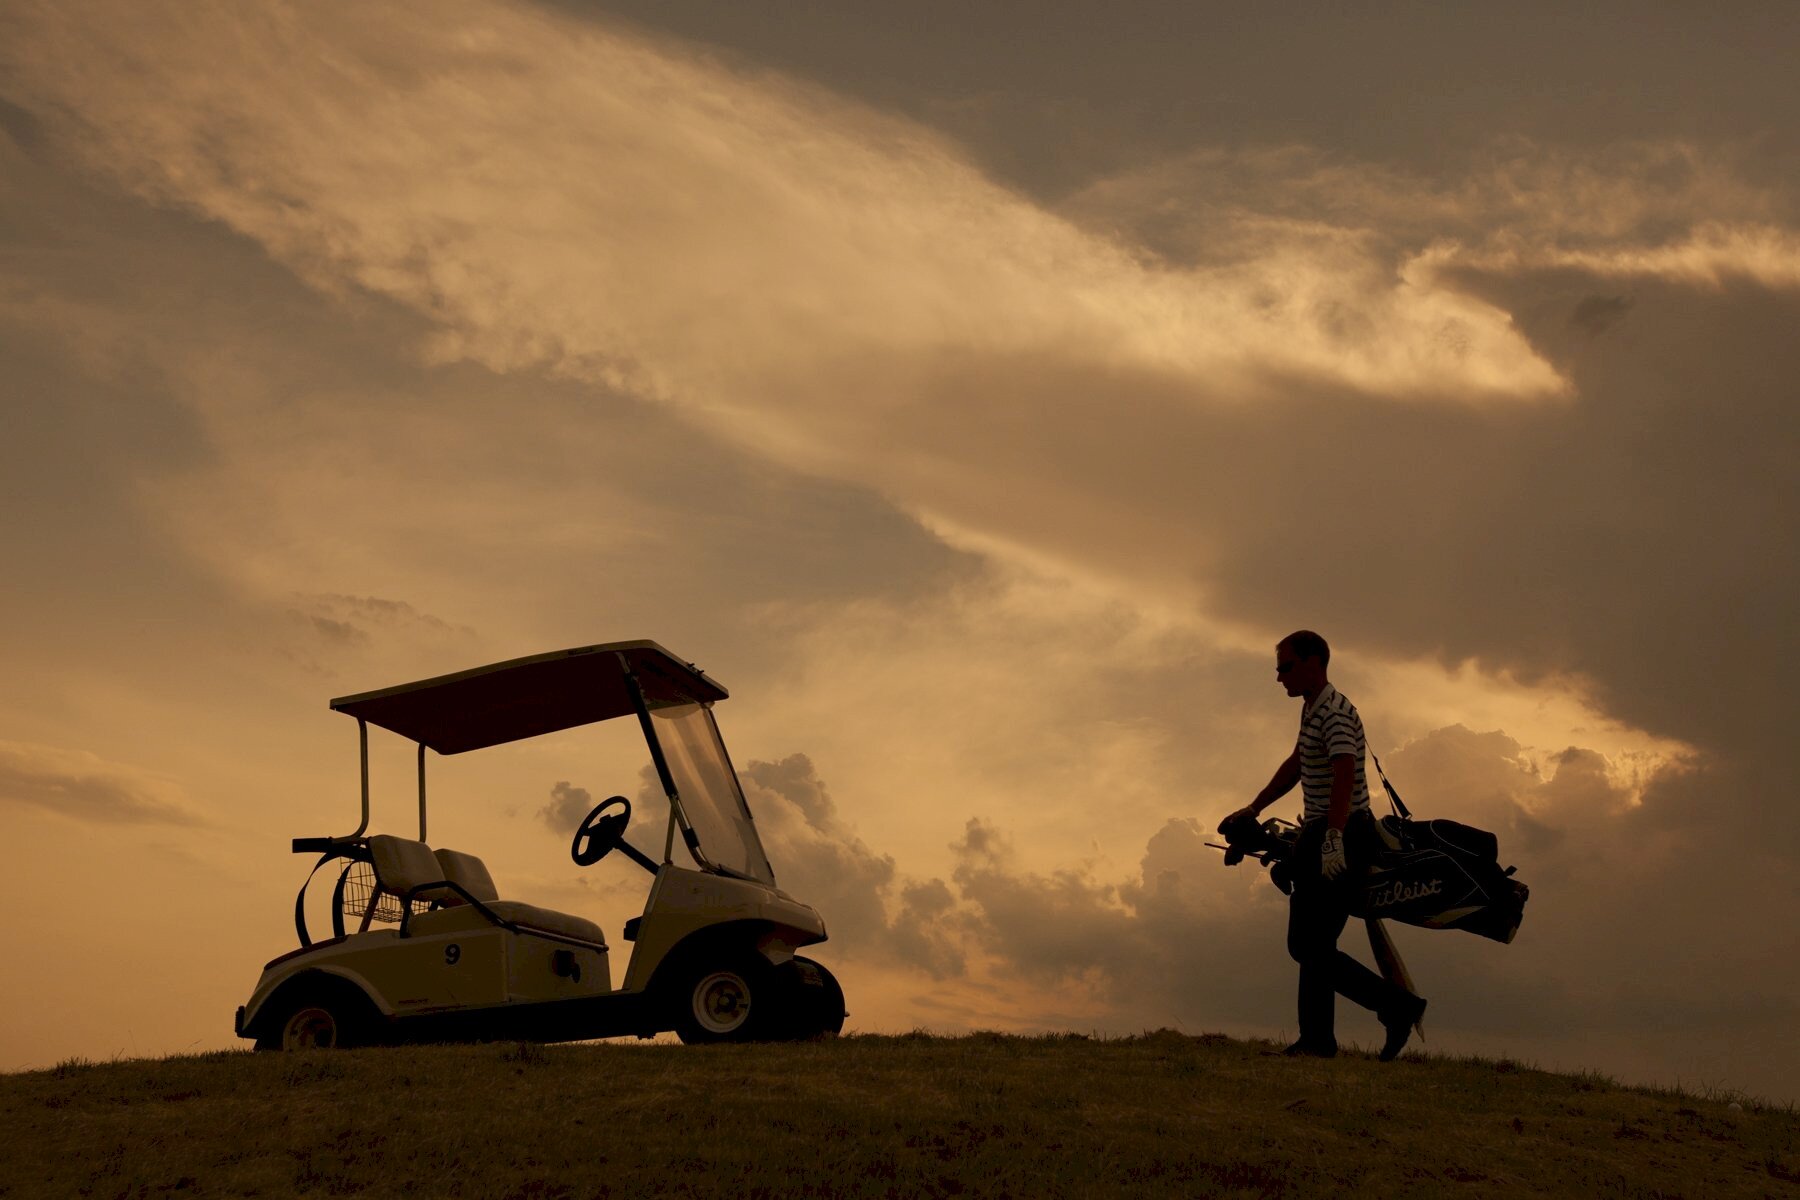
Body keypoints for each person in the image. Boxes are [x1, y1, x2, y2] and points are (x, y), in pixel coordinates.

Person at [1219, 630, 1427, 1060]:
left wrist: (1333, 837)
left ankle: (1396, 1007)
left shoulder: (1334, 711)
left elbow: (1345, 773)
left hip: (1343, 833)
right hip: (1323, 832)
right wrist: (1254, 807)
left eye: (1286, 667)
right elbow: (1297, 763)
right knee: (1316, 945)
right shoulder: (1312, 708)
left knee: (1306, 945)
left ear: (1313, 662)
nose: (1279, 677)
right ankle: (1317, 1040)